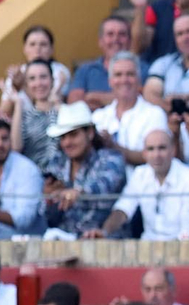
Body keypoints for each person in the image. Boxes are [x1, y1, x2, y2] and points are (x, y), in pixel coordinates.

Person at [95, 129, 189, 240]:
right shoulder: (140, 174)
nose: (156, 155)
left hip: (181, 249)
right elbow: (123, 209)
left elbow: (188, 233)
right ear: (144, 154)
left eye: (162, 148)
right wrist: (104, 232)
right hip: (147, 247)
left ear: (173, 150)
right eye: (151, 149)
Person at [42, 102, 128, 238]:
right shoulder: (57, 161)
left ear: (90, 133)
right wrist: (48, 197)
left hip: (104, 244)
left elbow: (104, 186)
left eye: (73, 135)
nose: (67, 143)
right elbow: (46, 211)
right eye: (63, 137)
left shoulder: (111, 159)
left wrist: (78, 192)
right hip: (60, 240)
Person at [92, 52, 170, 167]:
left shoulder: (155, 114)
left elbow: (156, 157)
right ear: (110, 81)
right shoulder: (98, 117)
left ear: (139, 80)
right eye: (118, 75)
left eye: (130, 74)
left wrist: (113, 147)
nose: (124, 80)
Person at [67, 17, 133, 109]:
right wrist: (120, 99)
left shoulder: (142, 69)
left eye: (122, 34)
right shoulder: (85, 70)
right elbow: (74, 103)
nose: (116, 39)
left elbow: (143, 98)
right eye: (110, 34)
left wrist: (93, 96)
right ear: (100, 41)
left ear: (130, 41)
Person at [6, 58, 60, 170]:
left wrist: (57, 101)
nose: (38, 83)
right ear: (26, 84)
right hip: (35, 177)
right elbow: (16, 148)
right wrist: (18, 104)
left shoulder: (64, 111)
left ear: (52, 80)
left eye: (43, 77)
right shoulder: (24, 117)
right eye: (32, 78)